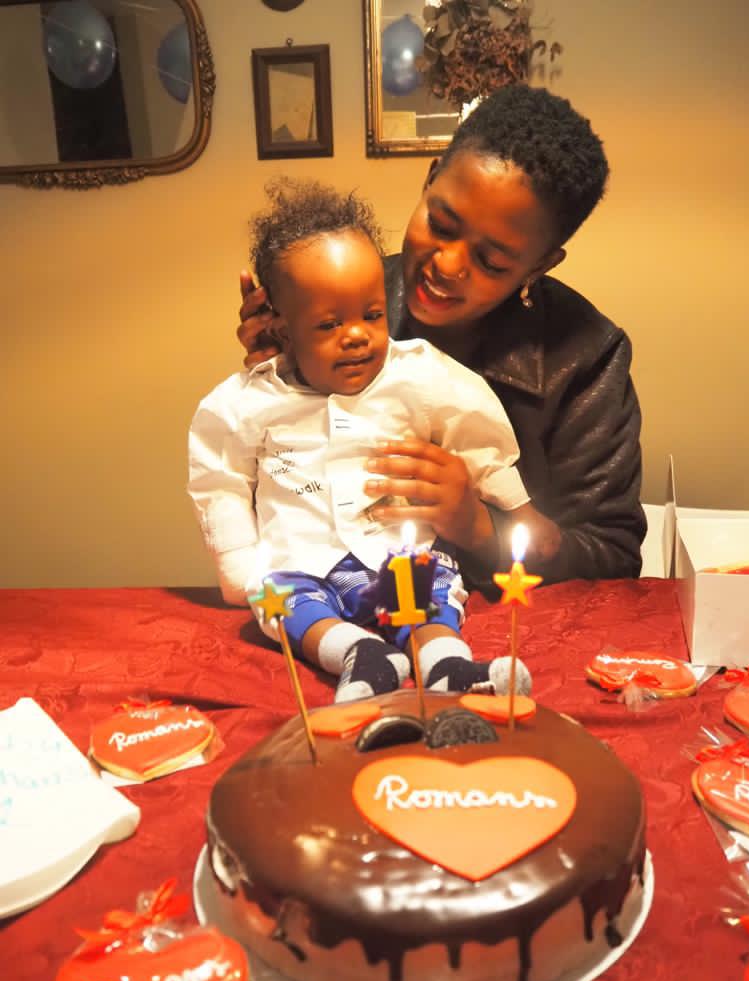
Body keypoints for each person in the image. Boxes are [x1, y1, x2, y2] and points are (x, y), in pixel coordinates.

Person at [236, 84, 646, 585]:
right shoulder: (342, 307)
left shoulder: (586, 356)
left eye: (491, 261)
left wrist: (480, 527)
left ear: (538, 265)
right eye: (441, 223)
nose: (447, 265)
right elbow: (277, 497)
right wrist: (286, 378)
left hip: (512, 635)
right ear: (429, 180)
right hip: (346, 609)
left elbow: (612, 556)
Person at [189, 179, 534, 703]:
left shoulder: (419, 374)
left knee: (432, 591)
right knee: (277, 603)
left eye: (372, 315)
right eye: (329, 323)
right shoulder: (244, 402)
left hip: (400, 554)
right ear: (282, 328)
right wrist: (239, 568)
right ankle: (356, 653)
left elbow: (474, 421)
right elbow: (220, 477)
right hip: (302, 565)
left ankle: (447, 663)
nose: (357, 335)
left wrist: (508, 495)